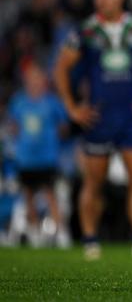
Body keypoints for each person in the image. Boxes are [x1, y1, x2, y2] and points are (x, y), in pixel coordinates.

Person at [53, 0, 132, 261]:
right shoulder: (87, 31)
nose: (98, 0)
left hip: (131, 116)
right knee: (94, 183)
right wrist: (72, 107)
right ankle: (90, 241)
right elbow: (60, 68)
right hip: (99, 116)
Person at [8, 61, 69, 247]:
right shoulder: (19, 102)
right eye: (31, 79)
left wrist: (50, 141)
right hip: (26, 158)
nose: (35, 82)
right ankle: (34, 233)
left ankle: (60, 234)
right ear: (27, 81)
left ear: (44, 81)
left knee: (51, 194)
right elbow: (14, 126)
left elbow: (63, 127)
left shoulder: (52, 102)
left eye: (38, 78)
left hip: (47, 157)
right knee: (28, 195)